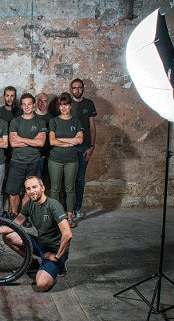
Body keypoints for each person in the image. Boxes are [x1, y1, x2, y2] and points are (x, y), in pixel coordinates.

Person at [0, 176, 72, 292]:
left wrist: (57, 256)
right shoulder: (30, 205)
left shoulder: (54, 205)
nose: (31, 191)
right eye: (28, 189)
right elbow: (15, 224)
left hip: (55, 250)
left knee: (42, 284)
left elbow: (68, 234)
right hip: (40, 244)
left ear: (42, 188)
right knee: (8, 236)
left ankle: (58, 265)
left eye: (34, 187)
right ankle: (32, 263)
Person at [7, 93, 47, 224]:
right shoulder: (15, 121)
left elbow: (41, 143)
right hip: (17, 161)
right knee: (13, 191)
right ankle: (14, 215)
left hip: (33, 161)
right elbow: (13, 143)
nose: (27, 107)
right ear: (21, 105)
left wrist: (21, 139)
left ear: (34, 104)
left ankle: (23, 216)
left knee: (30, 191)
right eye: (24, 104)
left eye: (29, 104)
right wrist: (32, 141)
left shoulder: (40, 122)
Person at [47, 93, 84, 227]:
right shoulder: (54, 121)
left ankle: (69, 217)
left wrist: (60, 140)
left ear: (70, 106)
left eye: (66, 105)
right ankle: (56, 217)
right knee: (55, 189)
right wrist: (70, 142)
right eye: (61, 105)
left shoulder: (76, 122)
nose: (63, 108)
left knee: (70, 189)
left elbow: (80, 140)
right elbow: (51, 141)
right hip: (55, 159)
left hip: (71, 160)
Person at [69, 78, 98, 219]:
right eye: (75, 88)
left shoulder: (89, 104)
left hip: (84, 148)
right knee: (68, 180)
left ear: (83, 89)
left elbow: (92, 127)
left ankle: (77, 208)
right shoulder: (67, 104)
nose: (77, 90)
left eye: (80, 87)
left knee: (80, 179)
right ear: (71, 89)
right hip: (69, 148)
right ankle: (67, 209)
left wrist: (91, 147)